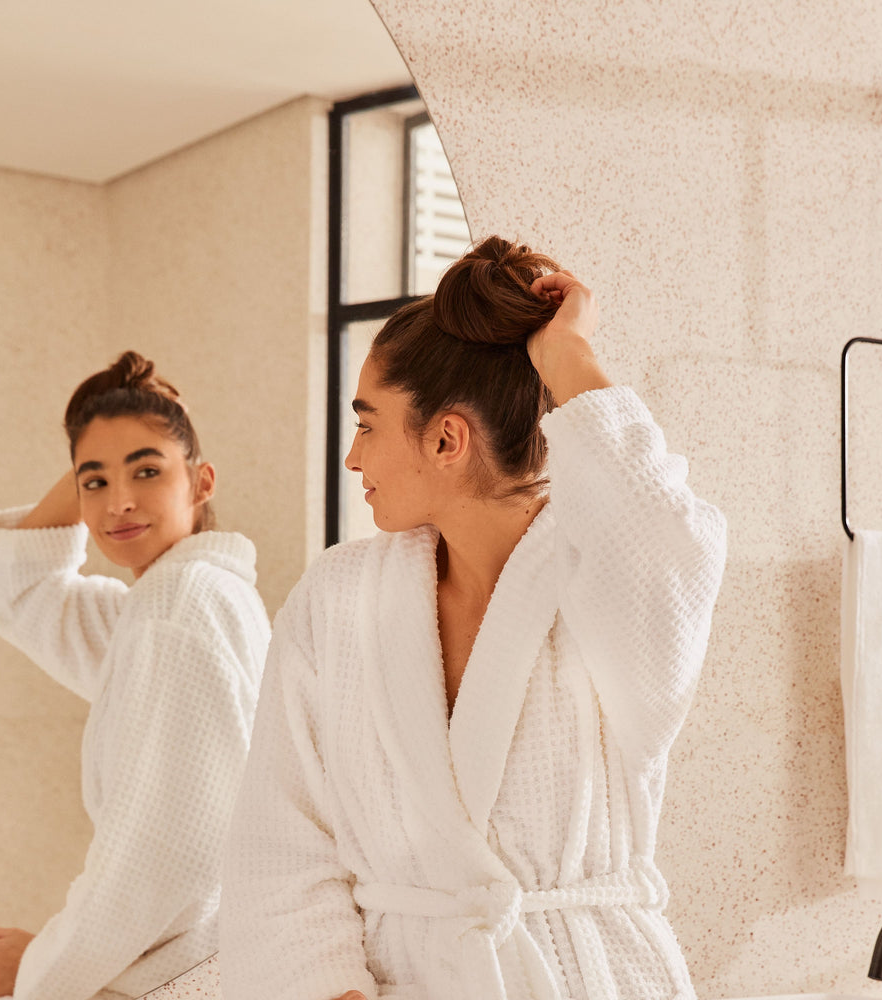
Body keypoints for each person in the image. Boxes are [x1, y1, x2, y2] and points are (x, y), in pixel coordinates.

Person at [220, 237, 727, 1000]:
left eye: (367, 425)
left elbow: (663, 540)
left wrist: (568, 356)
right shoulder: (339, 598)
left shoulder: (601, 581)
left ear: (446, 439)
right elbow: (280, 840)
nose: (354, 458)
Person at [0, 351, 271, 1000]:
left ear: (203, 481)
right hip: (213, 958)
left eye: (147, 471)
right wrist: (111, 431)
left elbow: (162, 854)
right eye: (95, 482)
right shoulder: (179, 601)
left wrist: (42, 965)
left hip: (189, 973)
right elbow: (23, 588)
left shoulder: (176, 610)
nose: (119, 503)